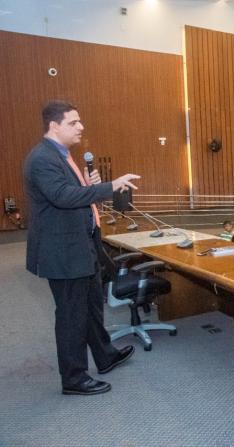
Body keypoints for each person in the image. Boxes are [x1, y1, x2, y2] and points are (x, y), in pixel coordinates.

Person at [24, 100, 139, 395]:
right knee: (71, 315)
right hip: (62, 251)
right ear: (54, 125)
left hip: (80, 245)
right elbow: (61, 196)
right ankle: (73, 378)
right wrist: (108, 186)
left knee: (91, 308)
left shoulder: (63, 156)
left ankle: (105, 355)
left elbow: (74, 196)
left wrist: (89, 186)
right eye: (73, 122)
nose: (81, 127)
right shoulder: (42, 158)